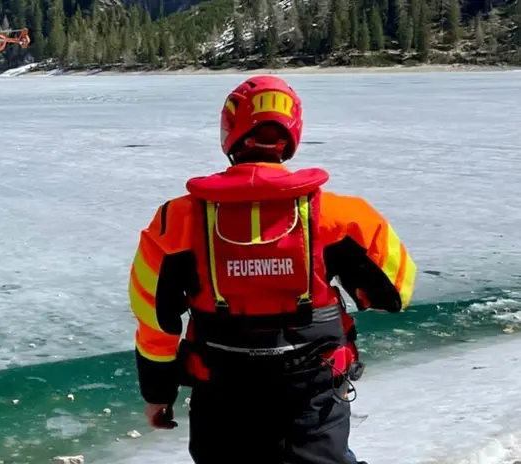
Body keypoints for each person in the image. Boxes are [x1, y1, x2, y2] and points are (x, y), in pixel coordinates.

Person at [127, 75, 417, 463]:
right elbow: (396, 292)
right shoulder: (343, 217)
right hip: (313, 403)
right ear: (292, 134)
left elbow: (154, 321)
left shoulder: (174, 222)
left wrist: (158, 395)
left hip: (221, 404)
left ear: (229, 132)